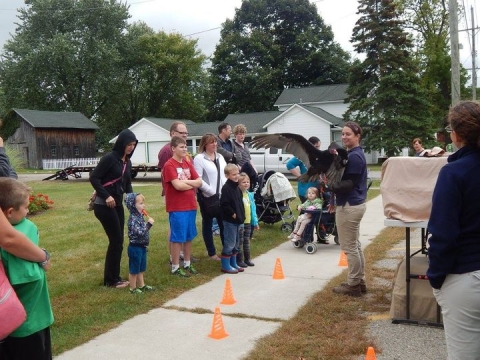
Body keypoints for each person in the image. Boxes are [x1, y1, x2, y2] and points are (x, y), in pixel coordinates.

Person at [426, 101, 480, 359]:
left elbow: (443, 235)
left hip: (466, 276)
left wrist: (437, 279)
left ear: (456, 135)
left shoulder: (454, 172)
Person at [0, 178, 54, 360]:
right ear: (9, 212)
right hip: (28, 323)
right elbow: (28, 277)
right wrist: (42, 258)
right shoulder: (24, 230)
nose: (28, 210)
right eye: (25, 207)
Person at [90, 128, 138, 288]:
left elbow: (127, 183)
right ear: (121, 144)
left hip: (116, 205)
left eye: (133, 144)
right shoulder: (109, 158)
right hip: (103, 205)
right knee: (116, 240)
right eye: (128, 144)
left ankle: (114, 277)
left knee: (119, 241)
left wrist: (133, 200)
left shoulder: (127, 162)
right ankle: (111, 280)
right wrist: (106, 195)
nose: (131, 147)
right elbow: (94, 178)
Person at [330, 122, 368, 297]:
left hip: (350, 206)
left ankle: (353, 285)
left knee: (350, 247)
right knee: (355, 245)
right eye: (343, 134)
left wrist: (330, 186)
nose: (344, 137)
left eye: (348, 134)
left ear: (357, 136)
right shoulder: (353, 154)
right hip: (353, 204)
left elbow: (348, 184)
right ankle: (360, 281)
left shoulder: (354, 157)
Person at [162, 136, 202, 277]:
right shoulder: (169, 165)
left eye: (186, 147)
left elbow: (199, 182)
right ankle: (175, 267)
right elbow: (177, 186)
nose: (185, 149)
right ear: (173, 148)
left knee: (188, 236)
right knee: (177, 237)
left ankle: (187, 263)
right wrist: (190, 183)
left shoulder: (187, 163)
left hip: (191, 205)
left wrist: (187, 182)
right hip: (177, 207)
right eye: (181, 147)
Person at [157, 121, 195, 264]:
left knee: (185, 227)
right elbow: (165, 174)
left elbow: (191, 173)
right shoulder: (167, 151)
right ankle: (174, 257)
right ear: (173, 133)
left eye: (186, 133)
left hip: (187, 194)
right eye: (181, 133)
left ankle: (183, 255)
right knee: (175, 227)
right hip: (174, 195)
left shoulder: (184, 150)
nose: (185, 135)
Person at [193, 133, 227, 261]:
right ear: (205, 144)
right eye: (211, 142)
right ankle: (211, 252)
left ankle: (226, 250)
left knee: (223, 224)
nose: (214, 144)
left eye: (215, 142)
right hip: (208, 197)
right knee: (207, 223)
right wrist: (211, 191)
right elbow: (199, 179)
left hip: (222, 196)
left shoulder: (220, 157)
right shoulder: (199, 159)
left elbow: (224, 175)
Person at [125, 193, 154, 294]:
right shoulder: (133, 219)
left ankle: (142, 285)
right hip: (135, 248)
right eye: (141, 203)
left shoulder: (140, 216)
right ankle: (132, 288)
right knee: (134, 269)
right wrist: (149, 225)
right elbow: (140, 233)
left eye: (143, 203)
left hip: (142, 247)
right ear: (133, 206)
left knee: (141, 268)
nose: (143, 205)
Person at [220, 164, 245, 274]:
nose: (236, 176)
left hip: (238, 220)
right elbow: (224, 204)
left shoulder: (237, 188)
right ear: (227, 176)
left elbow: (240, 202)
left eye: (237, 174)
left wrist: (241, 215)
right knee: (229, 243)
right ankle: (225, 265)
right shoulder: (226, 188)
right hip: (230, 221)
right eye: (233, 175)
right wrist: (233, 214)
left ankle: (233, 263)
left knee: (236, 243)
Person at [286, 136, 321, 203]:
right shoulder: (304, 155)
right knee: (306, 209)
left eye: (319, 147)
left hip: (315, 190)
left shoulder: (318, 156)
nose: (318, 149)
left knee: (315, 209)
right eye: (316, 147)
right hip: (305, 191)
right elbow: (289, 164)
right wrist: (300, 177)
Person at [237, 172, 259, 267]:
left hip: (248, 222)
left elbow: (253, 209)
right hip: (241, 222)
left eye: (247, 182)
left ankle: (247, 259)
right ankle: (239, 260)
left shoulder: (249, 195)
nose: (246, 184)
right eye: (243, 182)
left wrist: (255, 222)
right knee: (240, 241)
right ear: (238, 184)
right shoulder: (238, 195)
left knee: (247, 240)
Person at [232, 124, 258, 191]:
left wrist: (255, 169)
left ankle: (256, 186)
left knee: (250, 166)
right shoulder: (233, 145)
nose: (242, 136)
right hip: (241, 169)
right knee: (247, 165)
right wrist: (237, 166)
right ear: (235, 135)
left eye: (243, 134)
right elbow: (233, 159)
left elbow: (249, 159)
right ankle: (257, 183)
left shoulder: (245, 145)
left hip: (249, 170)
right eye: (240, 134)